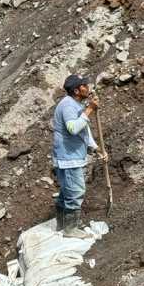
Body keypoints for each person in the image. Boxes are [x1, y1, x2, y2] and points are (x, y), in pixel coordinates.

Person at [52, 74, 107, 238]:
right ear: (76, 90)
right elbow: (73, 128)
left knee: (66, 192)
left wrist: (97, 149)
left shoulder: (75, 104)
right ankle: (70, 229)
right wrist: (89, 109)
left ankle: (63, 225)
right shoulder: (68, 106)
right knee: (75, 192)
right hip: (68, 158)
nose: (87, 87)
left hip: (70, 156)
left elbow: (84, 131)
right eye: (84, 85)